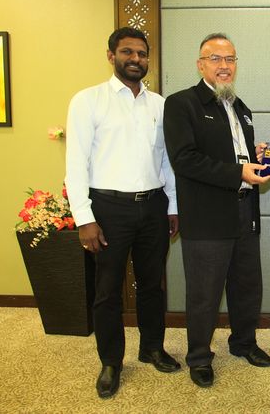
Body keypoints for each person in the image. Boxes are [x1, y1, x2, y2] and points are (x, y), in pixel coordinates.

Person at [65, 27, 180, 399]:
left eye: (142, 53)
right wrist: (84, 218)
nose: (136, 59)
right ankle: (111, 361)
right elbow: (75, 163)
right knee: (108, 289)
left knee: (152, 285)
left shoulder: (160, 105)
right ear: (111, 55)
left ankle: (152, 348)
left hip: (153, 206)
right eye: (128, 52)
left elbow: (166, 161)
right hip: (108, 209)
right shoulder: (88, 101)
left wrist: (172, 207)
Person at [163, 33, 270, 388]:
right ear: (201, 64)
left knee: (247, 286)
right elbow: (185, 159)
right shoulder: (182, 104)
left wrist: (257, 157)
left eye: (230, 59)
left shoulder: (241, 108)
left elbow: (237, 155)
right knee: (204, 293)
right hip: (207, 216)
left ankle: (244, 343)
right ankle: (199, 357)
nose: (224, 66)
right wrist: (238, 171)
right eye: (215, 59)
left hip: (245, 211)